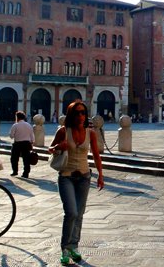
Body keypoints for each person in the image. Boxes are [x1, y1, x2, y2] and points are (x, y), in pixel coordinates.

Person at [49, 100, 104, 266]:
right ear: (72, 115)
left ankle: (74, 246)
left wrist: (101, 175)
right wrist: (60, 145)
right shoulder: (63, 131)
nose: (81, 116)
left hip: (84, 177)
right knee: (71, 212)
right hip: (66, 176)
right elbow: (51, 150)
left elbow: (96, 155)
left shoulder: (90, 133)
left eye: (83, 113)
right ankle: (65, 248)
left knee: (79, 214)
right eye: (78, 113)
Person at [9, 111, 35, 178]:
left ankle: (15, 171)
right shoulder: (28, 125)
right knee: (26, 159)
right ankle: (26, 173)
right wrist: (32, 143)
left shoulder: (15, 125)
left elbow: (11, 136)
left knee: (14, 158)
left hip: (17, 143)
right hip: (27, 143)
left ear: (17, 117)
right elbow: (32, 136)